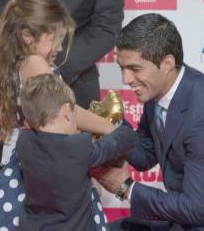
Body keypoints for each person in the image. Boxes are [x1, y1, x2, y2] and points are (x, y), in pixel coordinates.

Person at [94, 13, 204, 231]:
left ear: (167, 63)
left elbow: (196, 210)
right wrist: (108, 123)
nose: (126, 80)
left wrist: (126, 188)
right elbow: (144, 156)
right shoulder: (160, 91)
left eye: (134, 69)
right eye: (122, 68)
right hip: (193, 215)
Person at [0, 0, 124, 210]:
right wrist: (109, 127)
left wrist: (52, 68)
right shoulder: (32, 65)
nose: (59, 44)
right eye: (55, 39)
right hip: (24, 173)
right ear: (27, 36)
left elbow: (107, 25)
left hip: (71, 79)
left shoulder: (37, 64)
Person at [15, 74, 136, 231]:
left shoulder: (24, 141)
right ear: (66, 111)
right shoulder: (78, 146)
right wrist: (128, 133)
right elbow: (112, 144)